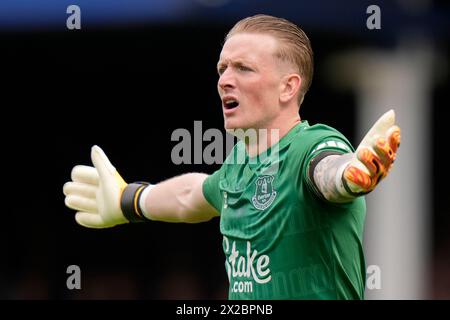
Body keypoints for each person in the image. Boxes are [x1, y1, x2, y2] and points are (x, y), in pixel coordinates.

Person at [63, 14, 401, 299]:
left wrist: (350, 175)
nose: (225, 80)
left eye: (243, 68)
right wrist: (130, 199)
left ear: (288, 87)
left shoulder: (311, 145)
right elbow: (191, 196)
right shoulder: (238, 164)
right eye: (222, 68)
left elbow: (326, 172)